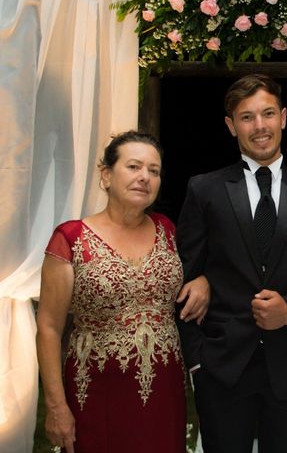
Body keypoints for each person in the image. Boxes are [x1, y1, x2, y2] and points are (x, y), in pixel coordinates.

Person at [176, 74, 287, 453]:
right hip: (221, 369)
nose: (259, 126)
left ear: (284, 117)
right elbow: (184, 279)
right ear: (231, 126)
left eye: (268, 113)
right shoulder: (203, 190)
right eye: (247, 117)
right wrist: (197, 363)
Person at [36, 131, 208, 453]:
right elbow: (48, 328)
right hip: (96, 390)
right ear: (106, 175)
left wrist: (203, 282)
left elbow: (202, 269)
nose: (145, 177)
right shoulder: (71, 239)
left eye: (154, 171)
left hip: (163, 390)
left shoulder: (168, 231)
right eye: (133, 167)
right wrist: (56, 407)